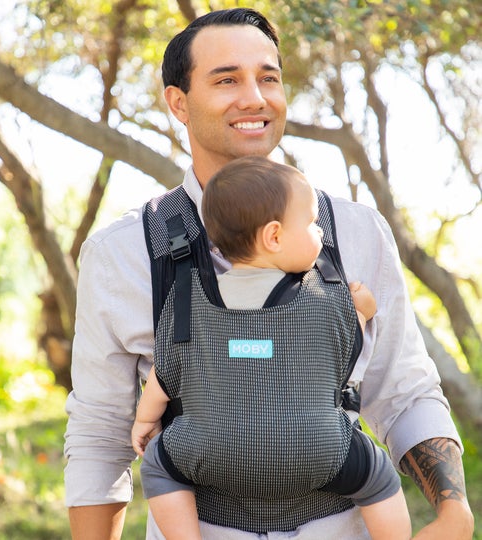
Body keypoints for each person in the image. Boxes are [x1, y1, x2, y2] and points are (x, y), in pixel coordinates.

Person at [64, 7, 474, 540]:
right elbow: (101, 431)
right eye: (227, 79)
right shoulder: (123, 252)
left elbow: (403, 388)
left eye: (269, 77)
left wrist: (452, 512)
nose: (254, 97)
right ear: (178, 102)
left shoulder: (354, 231)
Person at [131, 155, 411, 540]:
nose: (318, 232)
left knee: (158, 468)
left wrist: (145, 421)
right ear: (275, 236)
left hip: (211, 451)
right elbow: (352, 338)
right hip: (319, 450)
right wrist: (362, 306)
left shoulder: (187, 303)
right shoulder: (332, 300)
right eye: (312, 223)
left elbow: (165, 377)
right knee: (377, 476)